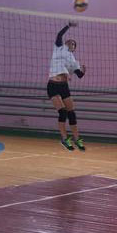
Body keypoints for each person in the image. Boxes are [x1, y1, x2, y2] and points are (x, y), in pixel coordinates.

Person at [47, 21, 86, 151]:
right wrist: (68, 26)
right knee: (62, 112)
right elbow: (59, 35)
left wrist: (83, 71)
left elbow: (79, 75)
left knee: (72, 114)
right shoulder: (59, 48)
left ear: (74, 48)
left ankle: (77, 139)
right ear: (65, 43)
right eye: (69, 41)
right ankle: (64, 139)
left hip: (64, 86)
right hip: (53, 85)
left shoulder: (73, 61)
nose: (71, 43)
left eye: (74, 43)